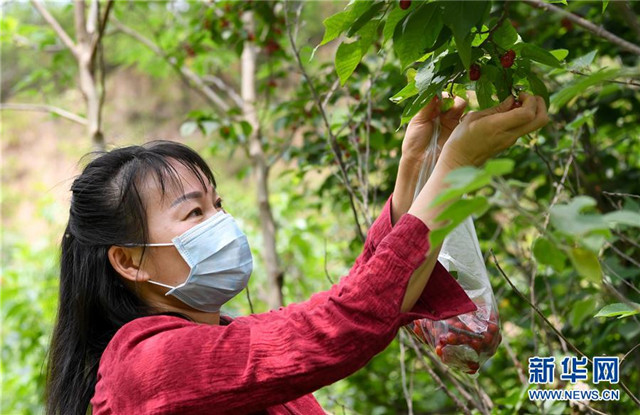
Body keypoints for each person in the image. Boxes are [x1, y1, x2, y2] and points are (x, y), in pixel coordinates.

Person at [45, 93, 548, 414]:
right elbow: (342, 323)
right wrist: (456, 167)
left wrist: (416, 167)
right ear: (129, 260)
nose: (221, 223)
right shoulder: (148, 365)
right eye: (194, 214)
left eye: (218, 205)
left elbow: (352, 301)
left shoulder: (223, 340)